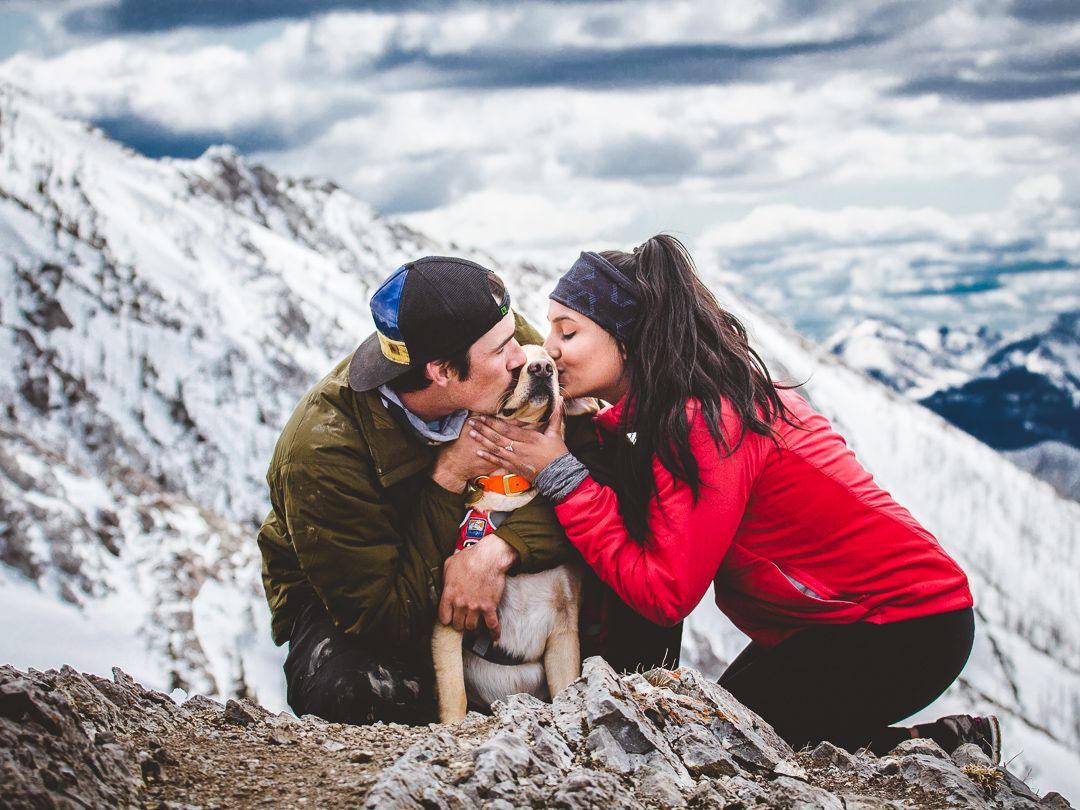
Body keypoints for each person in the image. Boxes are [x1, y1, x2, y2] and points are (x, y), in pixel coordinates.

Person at [468, 235, 1002, 762]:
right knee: (727, 733)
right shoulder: (686, 404)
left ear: (626, 340)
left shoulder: (706, 422)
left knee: (724, 747)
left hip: (902, 627)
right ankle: (941, 743)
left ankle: (940, 750)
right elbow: (617, 431)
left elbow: (664, 594)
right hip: (835, 623)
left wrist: (561, 474)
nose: (552, 348)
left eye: (568, 331)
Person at [257, 255, 588, 724]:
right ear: (443, 372)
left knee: (629, 574)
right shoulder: (323, 454)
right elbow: (384, 617)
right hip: (361, 589)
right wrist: (448, 479)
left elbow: (596, 467)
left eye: (515, 337)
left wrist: (496, 551)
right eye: (501, 351)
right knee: (365, 689)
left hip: (489, 532)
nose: (523, 355)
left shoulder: (491, 337)